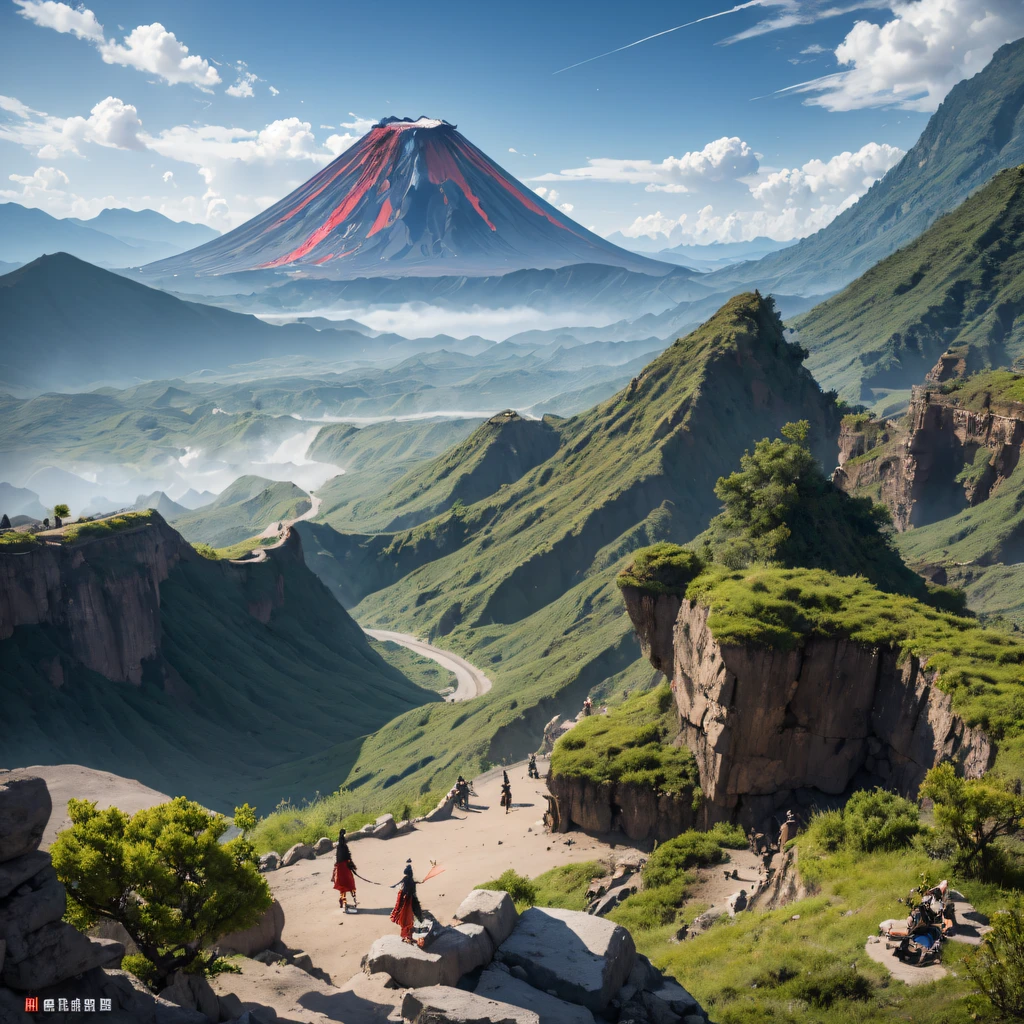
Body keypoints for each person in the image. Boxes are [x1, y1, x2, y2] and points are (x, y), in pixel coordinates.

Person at [390, 860, 423, 943]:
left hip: (406, 901)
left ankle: (407, 936)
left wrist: (393, 886)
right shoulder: (411, 881)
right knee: (409, 919)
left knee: (405, 919)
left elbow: (400, 886)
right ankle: (408, 936)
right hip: (411, 900)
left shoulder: (406, 880)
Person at [331, 828, 357, 913]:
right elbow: (348, 858)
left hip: (340, 869)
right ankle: (346, 902)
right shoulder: (344, 848)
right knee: (349, 884)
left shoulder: (339, 848)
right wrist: (351, 865)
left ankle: (343, 900)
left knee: (343, 887)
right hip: (344, 868)